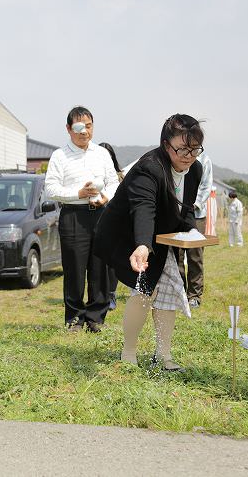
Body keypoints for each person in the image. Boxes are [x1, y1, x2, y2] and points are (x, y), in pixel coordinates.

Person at [94, 114, 204, 370]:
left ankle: (163, 355)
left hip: (161, 236)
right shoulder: (150, 168)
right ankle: (128, 352)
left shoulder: (195, 169)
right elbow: (144, 209)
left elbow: (185, 207)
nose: (189, 155)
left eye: (195, 149)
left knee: (166, 291)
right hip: (128, 235)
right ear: (166, 145)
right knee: (144, 288)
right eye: (182, 148)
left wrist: (191, 232)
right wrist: (143, 244)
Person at [45, 107, 120, 332]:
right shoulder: (59, 155)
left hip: (100, 214)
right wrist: (78, 194)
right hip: (73, 215)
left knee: (100, 267)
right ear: (68, 129)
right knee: (74, 269)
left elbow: (114, 182)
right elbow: (51, 188)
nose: (84, 132)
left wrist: (105, 197)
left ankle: (96, 317)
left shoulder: (102, 153)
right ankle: (75, 318)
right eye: (79, 127)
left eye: (89, 126)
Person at [175, 152, 212, 309]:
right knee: (176, 254)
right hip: (176, 213)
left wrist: (192, 204)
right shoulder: (175, 155)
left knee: (195, 255)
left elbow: (206, 186)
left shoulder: (204, 159)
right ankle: (179, 292)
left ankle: (194, 295)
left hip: (196, 214)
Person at [98, 142, 124, 310]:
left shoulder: (120, 177)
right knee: (99, 261)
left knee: (113, 262)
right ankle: (99, 294)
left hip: (115, 221)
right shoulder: (92, 174)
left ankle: (111, 294)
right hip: (95, 220)